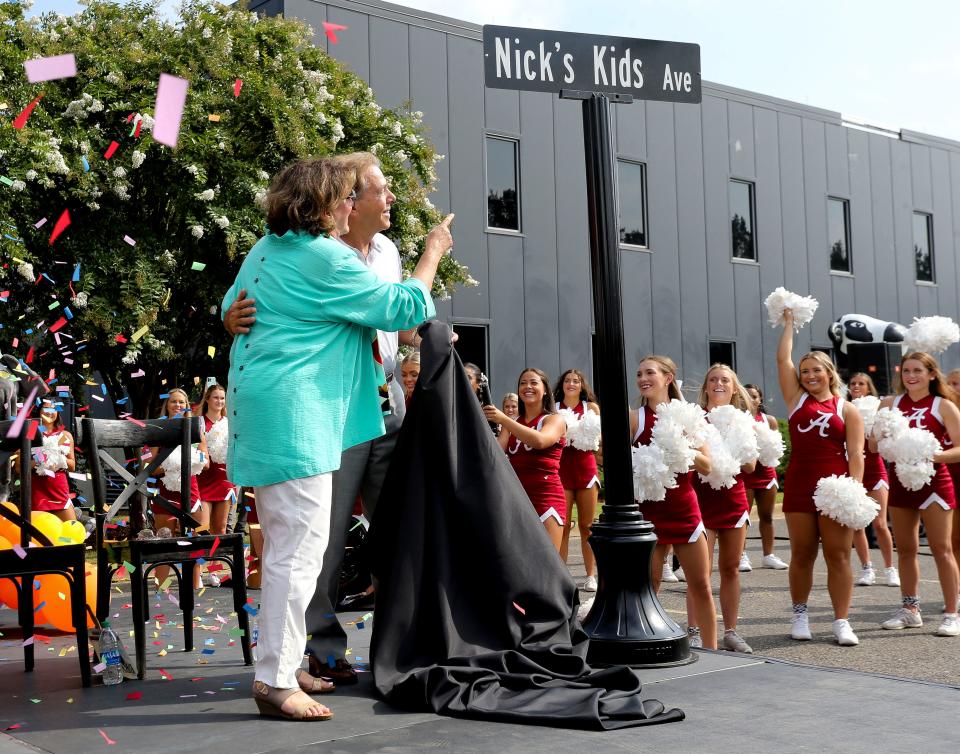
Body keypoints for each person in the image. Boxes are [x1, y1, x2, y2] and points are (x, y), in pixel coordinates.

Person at [223, 155, 451, 721]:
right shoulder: (323, 257)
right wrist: (432, 254)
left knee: (286, 547)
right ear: (323, 205)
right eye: (345, 198)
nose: (352, 206)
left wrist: (229, 315)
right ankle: (275, 682)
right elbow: (404, 306)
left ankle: (285, 663)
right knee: (297, 553)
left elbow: (233, 301)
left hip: (270, 407)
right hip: (295, 417)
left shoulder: (266, 249)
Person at [777, 310, 864, 646]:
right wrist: (788, 323)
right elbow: (782, 357)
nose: (809, 375)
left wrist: (853, 490)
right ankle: (800, 614)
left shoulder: (848, 409)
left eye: (816, 370)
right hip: (800, 483)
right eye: (804, 371)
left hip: (836, 488)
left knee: (839, 555)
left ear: (829, 373)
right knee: (801, 553)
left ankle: (841, 621)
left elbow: (857, 454)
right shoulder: (795, 399)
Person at [631, 355, 717, 650]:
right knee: (649, 588)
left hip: (684, 509)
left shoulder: (688, 417)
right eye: (639, 373)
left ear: (668, 378)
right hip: (648, 512)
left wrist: (682, 448)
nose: (643, 378)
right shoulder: (635, 418)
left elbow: (706, 466)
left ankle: (713, 651)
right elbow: (608, 457)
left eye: (650, 373)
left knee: (702, 586)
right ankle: (646, 646)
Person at [876, 352, 960, 637]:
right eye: (906, 371)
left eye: (918, 371)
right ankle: (910, 610)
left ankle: (951, 613)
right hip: (901, 482)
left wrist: (931, 455)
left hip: (935, 482)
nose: (911, 376)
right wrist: (881, 438)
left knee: (942, 549)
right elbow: (874, 447)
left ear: (932, 374)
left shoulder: (943, 405)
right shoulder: (889, 404)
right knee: (907, 549)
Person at [691, 364, 756, 653]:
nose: (718, 383)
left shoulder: (745, 421)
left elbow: (751, 465)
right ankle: (694, 632)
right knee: (699, 572)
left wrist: (728, 456)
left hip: (733, 499)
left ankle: (730, 631)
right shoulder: (694, 420)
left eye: (725, 380)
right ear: (706, 387)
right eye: (713, 379)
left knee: (730, 568)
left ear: (734, 388)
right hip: (700, 499)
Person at [483, 368, 567, 551]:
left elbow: (540, 441)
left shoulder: (554, 419)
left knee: (548, 564)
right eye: (523, 383)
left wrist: (504, 419)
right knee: (520, 566)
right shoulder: (511, 422)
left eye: (533, 382)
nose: (527, 387)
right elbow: (495, 455)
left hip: (546, 497)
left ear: (545, 390)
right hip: (517, 498)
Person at [150, 388, 210, 591]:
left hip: (191, 493)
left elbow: (206, 462)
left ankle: (193, 584)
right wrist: (169, 464)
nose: (178, 405)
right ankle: (162, 588)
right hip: (165, 494)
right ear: (167, 405)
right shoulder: (159, 429)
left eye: (181, 402)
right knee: (165, 541)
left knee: (194, 542)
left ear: (187, 405)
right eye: (174, 402)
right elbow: (149, 468)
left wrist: (190, 461)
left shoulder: (196, 429)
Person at [847, 372, 898, 587]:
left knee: (880, 523)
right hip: (851, 469)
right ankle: (867, 568)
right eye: (853, 383)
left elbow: (874, 447)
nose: (856, 386)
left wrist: (874, 433)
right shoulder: (843, 407)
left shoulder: (878, 408)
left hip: (875, 470)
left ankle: (890, 569)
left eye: (861, 383)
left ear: (869, 388)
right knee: (857, 524)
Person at [552, 369, 601, 591]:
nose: (571, 384)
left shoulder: (591, 408)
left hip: (586, 469)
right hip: (561, 470)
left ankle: (591, 575)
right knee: (561, 526)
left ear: (582, 386)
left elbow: (599, 441)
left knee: (587, 526)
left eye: (576, 381)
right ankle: (560, 574)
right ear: (561, 385)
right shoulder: (553, 408)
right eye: (567, 381)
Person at [741, 384, 789, 571]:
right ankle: (742, 555)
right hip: (746, 474)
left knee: (767, 517)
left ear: (760, 399)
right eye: (748, 396)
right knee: (743, 517)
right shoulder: (737, 420)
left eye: (754, 396)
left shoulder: (770, 421)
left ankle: (769, 555)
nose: (751, 399)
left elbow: (777, 448)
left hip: (767, 473)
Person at [196, 383, 236, 586]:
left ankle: (214, 571)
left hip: (224, 480)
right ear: (208, 400)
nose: (219, 401)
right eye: (215, 397)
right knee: (202, 529)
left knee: (220, 529)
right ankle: (197, 573)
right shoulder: (199, 422)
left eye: (222, 398)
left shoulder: (230, 422)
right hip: (203, 479)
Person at [30, 398, 76, 521]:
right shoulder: (30, 432)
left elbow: (72, 466)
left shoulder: (65, 435)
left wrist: (58, 457)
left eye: (54, 408)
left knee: (71, 532)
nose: (50, 412)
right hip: (37, 492)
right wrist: (41, 460)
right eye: (46, 408)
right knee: (39, 535)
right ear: (39, 411)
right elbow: (19, 467)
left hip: (59, 491)